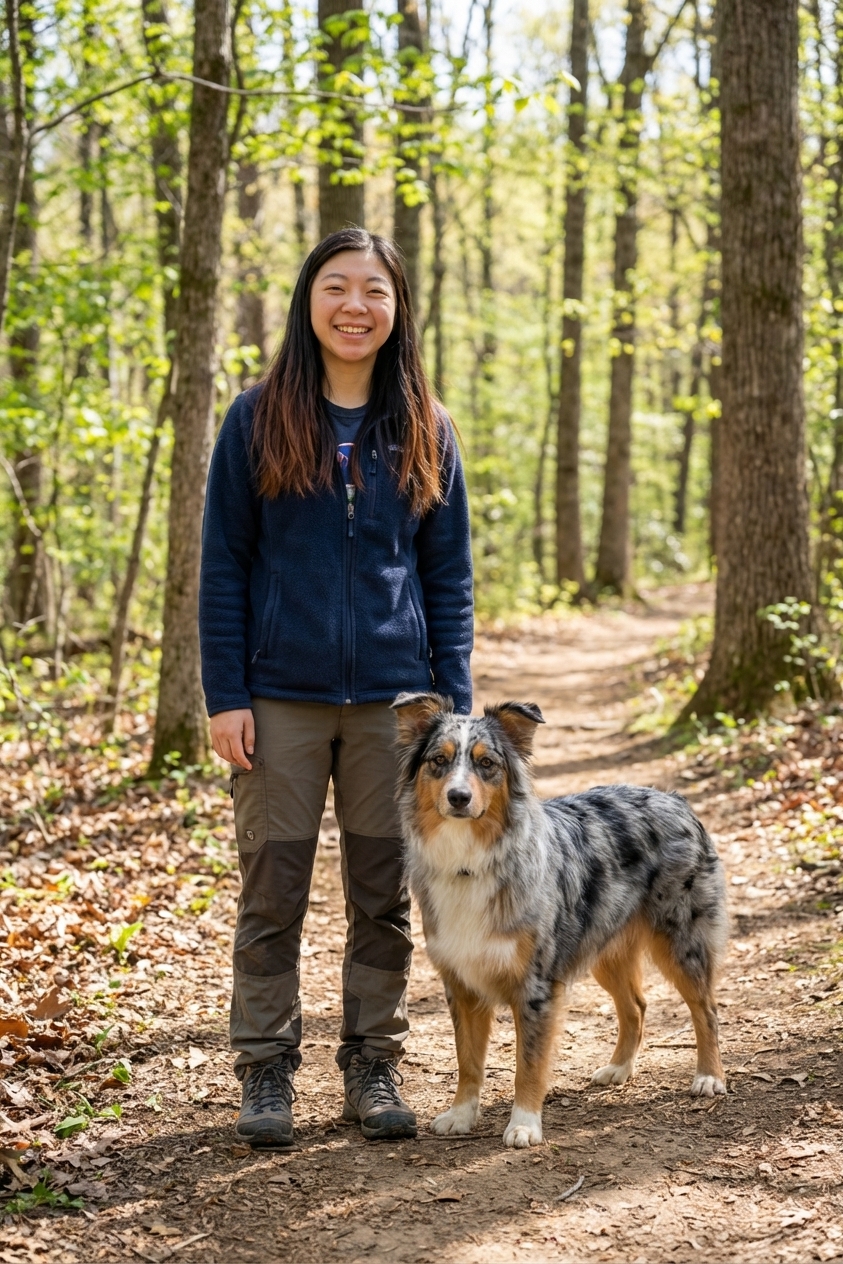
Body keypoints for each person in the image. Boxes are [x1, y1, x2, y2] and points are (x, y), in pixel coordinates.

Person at [199, 227, 474, 1148]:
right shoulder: (256, 417)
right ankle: (266, 1072)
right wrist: (224, 693)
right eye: (336, 287)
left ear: (397, 309)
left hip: (396, 712)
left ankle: (372, 1062)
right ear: (308, 301)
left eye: (374, 292)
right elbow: (224, 567)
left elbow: (448, 579)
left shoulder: (425, 426)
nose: (354, 306)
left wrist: (453, 708)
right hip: (276, 696)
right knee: (271, 888)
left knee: (382, 890)